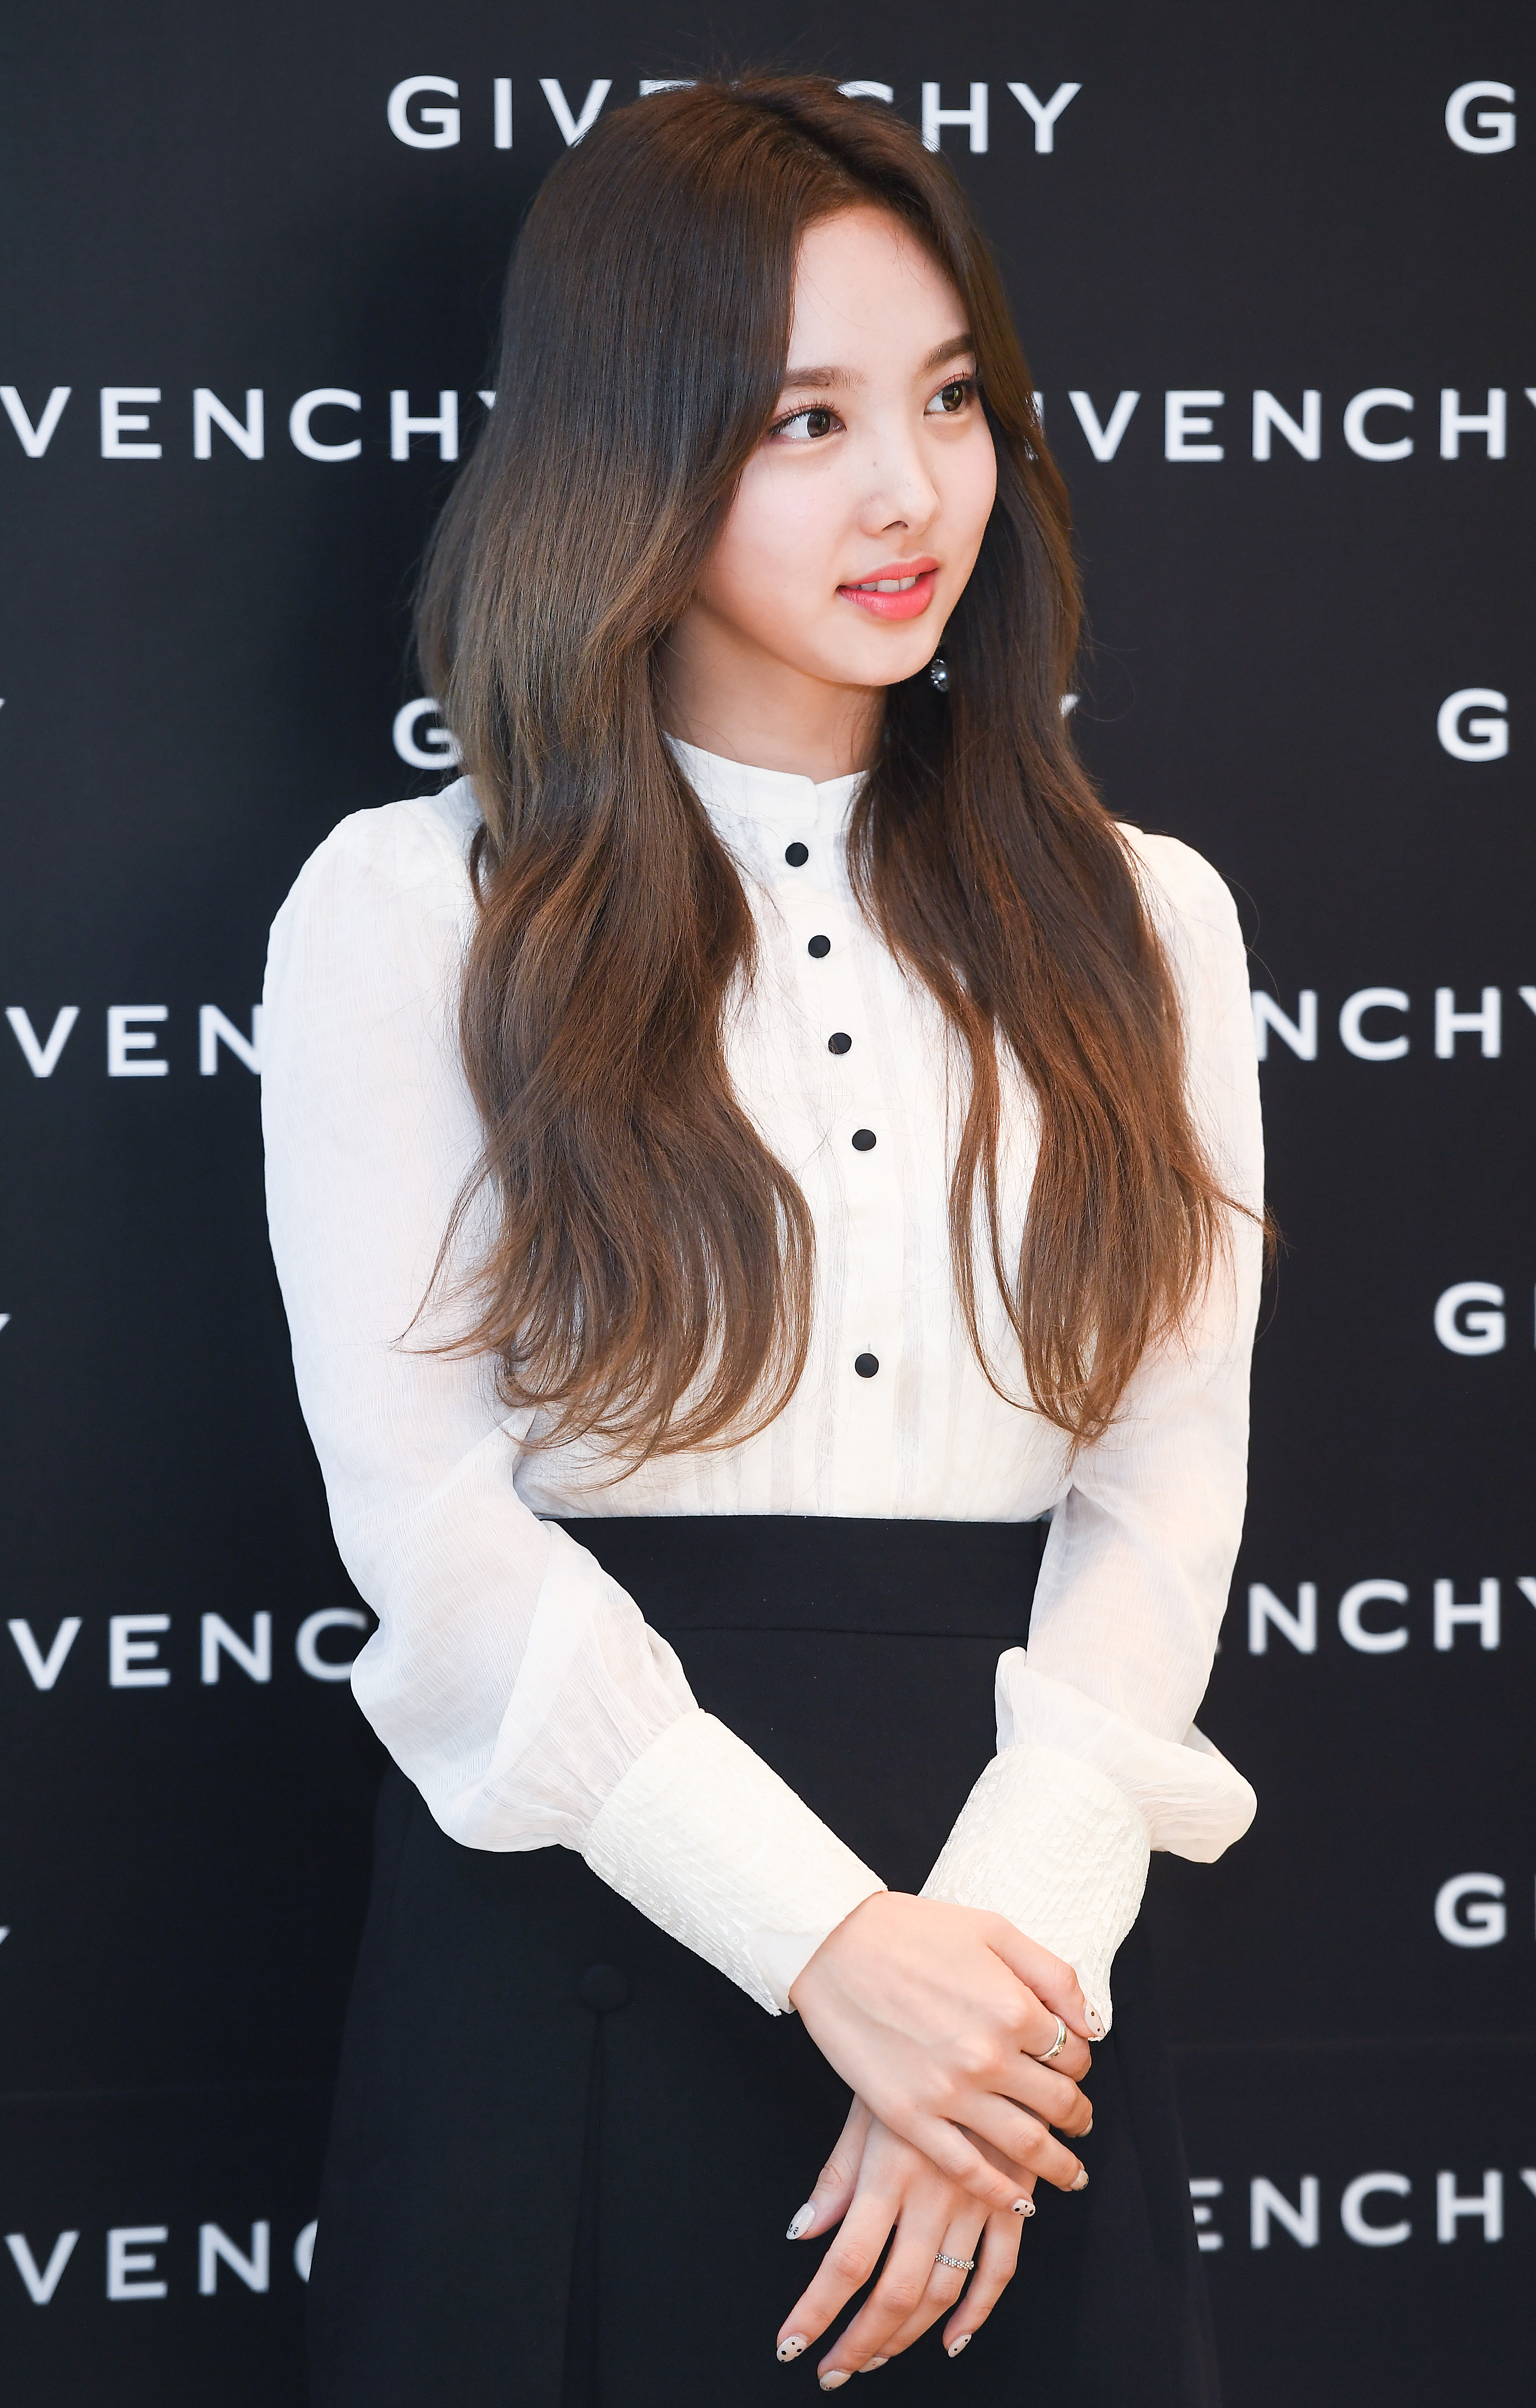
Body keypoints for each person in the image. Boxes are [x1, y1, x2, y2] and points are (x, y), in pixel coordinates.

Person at [262, 75, 1262, 2408]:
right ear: (628, 442)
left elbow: (1161, 1490)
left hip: (1024, 1968)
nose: (907, 489)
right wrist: (826, 1944)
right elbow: (431, 1527)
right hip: (583, 1940)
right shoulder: (415, 911)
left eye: (947, 399)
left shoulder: (1147, 920)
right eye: (805, 418)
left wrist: (984, 1983)